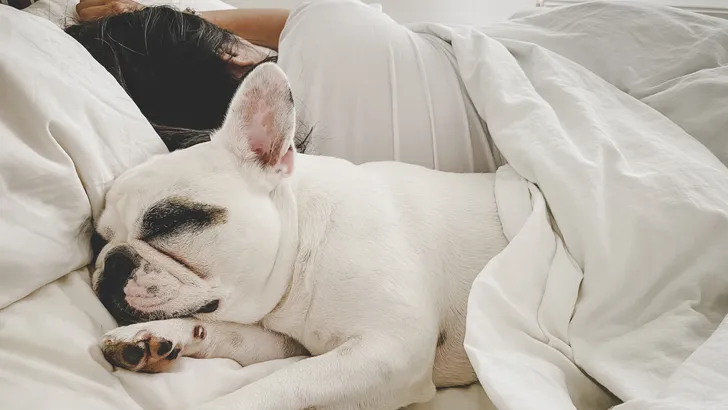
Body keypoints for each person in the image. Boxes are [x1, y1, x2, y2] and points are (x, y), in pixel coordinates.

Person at [66, 0, 501, 172]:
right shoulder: (330, 25)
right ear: (230, 54)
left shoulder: (274, 176)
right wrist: (168, 21)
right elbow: (289, 23)